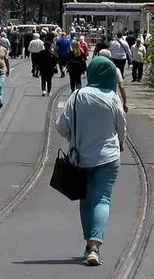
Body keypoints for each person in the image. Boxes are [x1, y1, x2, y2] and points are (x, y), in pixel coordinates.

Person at [55, 56, 126, 266]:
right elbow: (121, 124)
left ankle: (89, 244)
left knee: (85, 200)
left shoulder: (77, 96)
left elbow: (61, 127)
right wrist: (119, 142)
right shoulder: (112, 97)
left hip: (81, 158)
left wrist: (75, 138)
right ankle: (95, 245)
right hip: (109, 156)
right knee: (102, 199)